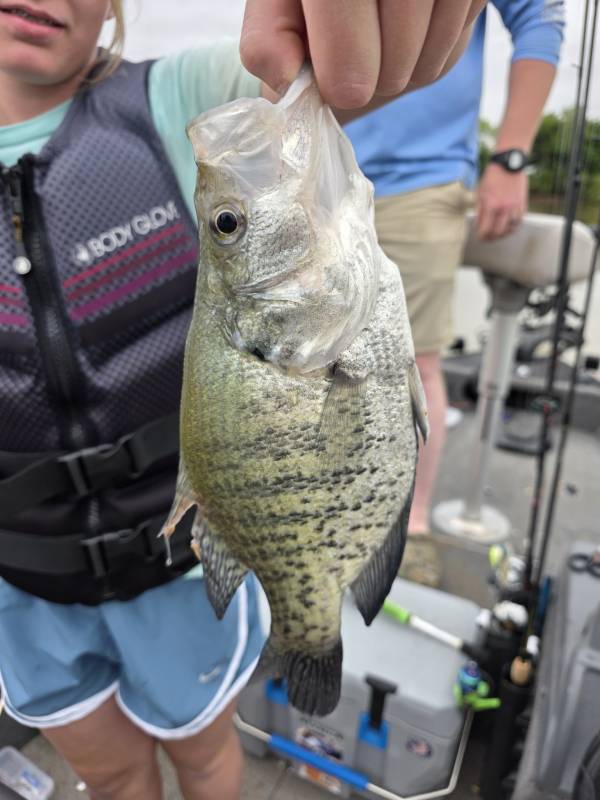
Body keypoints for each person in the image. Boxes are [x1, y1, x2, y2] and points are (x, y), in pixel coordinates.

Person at [0, 1, 486, 798]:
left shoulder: (180, 97)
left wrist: (335, 35)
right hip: (18, 581)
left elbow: (317, 78)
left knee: (203, 755)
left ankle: (306, 621)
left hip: (177, 572)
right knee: (113, 775)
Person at [345, 0, 565, 587]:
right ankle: (328, 519)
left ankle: (410, 524)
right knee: (310, 364)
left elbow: (541, 19)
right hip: (323, 172)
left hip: (420, 179)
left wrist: (512, 155)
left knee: (416, 361)